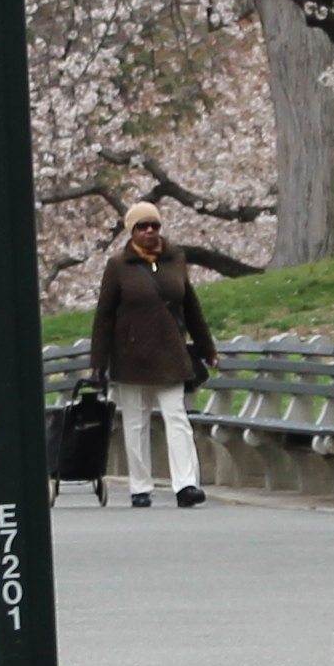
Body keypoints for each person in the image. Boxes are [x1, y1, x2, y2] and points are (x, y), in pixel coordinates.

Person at [91, 205, 219, 509]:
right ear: (132, 231)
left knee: (177, 419)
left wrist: (207, 347)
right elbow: (104, 317)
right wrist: (98, 362)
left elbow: (191, 307)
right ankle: (140, 486)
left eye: (154, 225)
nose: (149, 231)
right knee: (135, 423)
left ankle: (186, 484)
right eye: (142, 226)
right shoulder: (118, 266)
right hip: (131, 356)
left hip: (171, 354)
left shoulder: (176, 260)